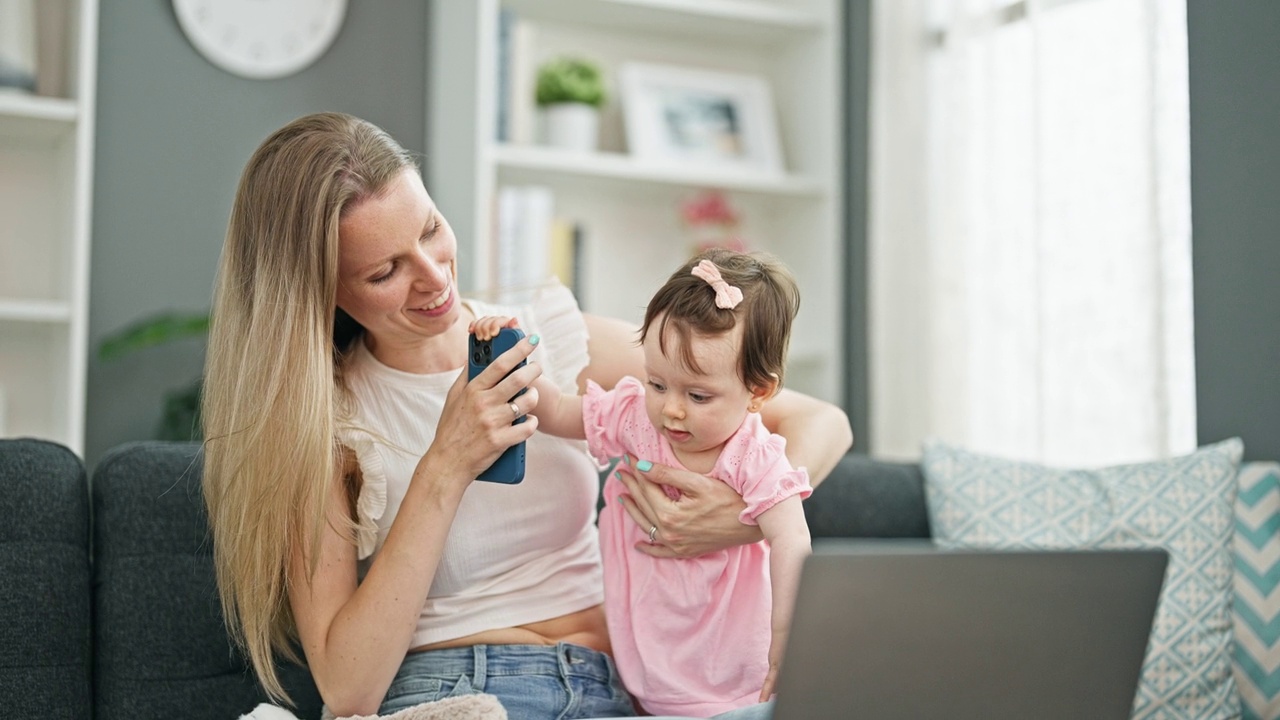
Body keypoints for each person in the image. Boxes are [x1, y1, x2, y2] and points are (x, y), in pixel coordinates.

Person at [200, 112, 852, 720]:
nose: (434, 278)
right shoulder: (329, 423)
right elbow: (348, 686)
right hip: (461, 688)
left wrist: (738, 519)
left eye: (430, 229)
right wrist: (446, 462)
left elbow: (821, 422)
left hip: (619, 689)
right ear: (326, 292)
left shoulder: (551, 340)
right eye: (386, 271)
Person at [470, 248, 812, 717]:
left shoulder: (753, 456)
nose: (671, 409)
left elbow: (792, 538)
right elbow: (556, 410)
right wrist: (510, 356)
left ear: (759, 392)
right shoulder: (635, 419)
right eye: (657, 383)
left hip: (738, 671)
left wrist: (786, 637)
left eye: (697, 395)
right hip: (647, 667)